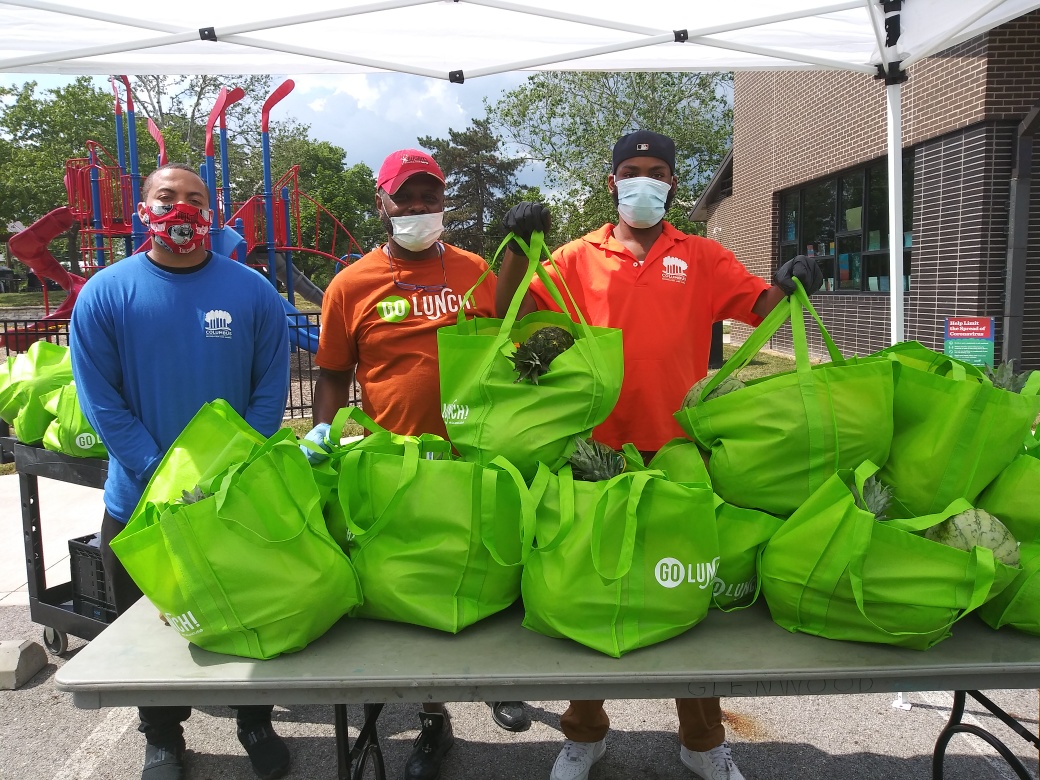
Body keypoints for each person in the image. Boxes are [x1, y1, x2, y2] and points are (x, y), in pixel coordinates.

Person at [494, 130, 824, 780]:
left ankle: (701, 742)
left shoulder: (698, 255)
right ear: (613, 180)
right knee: (592, 588)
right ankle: (584, 732)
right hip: (594, 453)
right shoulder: (577, 257)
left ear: (672, 183)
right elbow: (510, 312)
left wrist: (794, 281)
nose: (643, 180)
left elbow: (763, 306)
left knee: (685, 589)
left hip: (675, 450)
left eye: (656, 171)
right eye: (630, 170)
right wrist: (515, 248)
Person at [302, 148, 531, 780]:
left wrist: (519, 249)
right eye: (407, 198)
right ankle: (434, 718)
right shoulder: (351, 284)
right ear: (383, 202)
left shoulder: (473, 270)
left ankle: (498, 683)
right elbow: (333, 372)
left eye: (430, 197)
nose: (420, 209)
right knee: (416, 593)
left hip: (477, 456)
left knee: (488, 573)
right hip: (396, 464)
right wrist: (324, 432)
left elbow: (514, 321)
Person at [70, 163, 292, 780]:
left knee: (249, 614)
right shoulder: (105, 293)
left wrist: (228, 471)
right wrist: (160, 473)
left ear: (213, 210)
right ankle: (162, 735)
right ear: (144, 208)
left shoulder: (252, 292)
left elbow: (268, 394)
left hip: (232, 498)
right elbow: (101, 401)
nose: (182, 208)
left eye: (195, 198)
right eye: (167, 197)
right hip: (138, 504)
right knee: (143, 632)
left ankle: (255, 720)